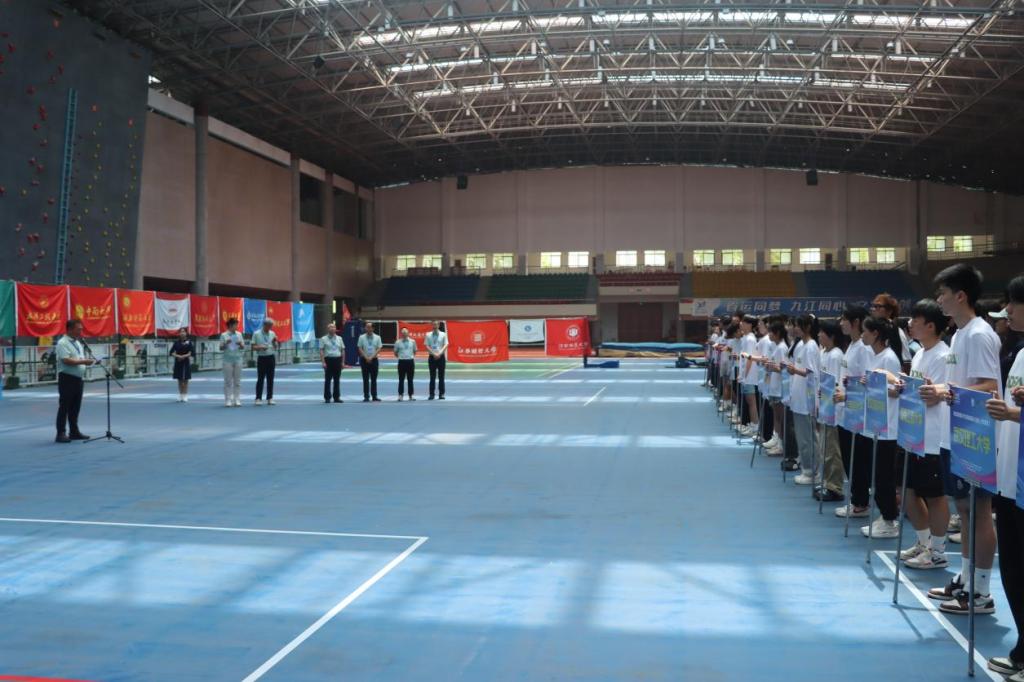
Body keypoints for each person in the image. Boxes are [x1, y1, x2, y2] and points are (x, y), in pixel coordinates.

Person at [921, 263, 1002, 615]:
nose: (938, 299)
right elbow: (962, 384)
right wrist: (942, 389)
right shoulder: (958, 335)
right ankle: (967, 578)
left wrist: (943, 391)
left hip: (977, 437)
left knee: (980, 512)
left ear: (961, 296)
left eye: (942, 293)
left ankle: (981, 592)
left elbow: (989, 386)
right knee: (965, 510)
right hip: (955, 433)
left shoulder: (980, 334)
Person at [984, 274, 1024, 679]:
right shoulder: (1021, 352)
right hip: (1011, 479)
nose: (1007, 311)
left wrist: (1014, 413)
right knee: (1013, 570)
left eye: (1014, 303)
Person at [898, 300, 951, 569]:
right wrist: (902, 387)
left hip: (932, 438)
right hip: (913, 434)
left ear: (930, 326)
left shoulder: (943, 356)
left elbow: (938, 395)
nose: (910, 324)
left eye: (915, 320)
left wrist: (925, 392)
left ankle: (938, 552)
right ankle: (923, 542)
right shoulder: (919, 353)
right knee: (908, 492)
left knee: (935, 496)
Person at [858, 316, 903, 539]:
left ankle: (890, 520)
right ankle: (885, 515)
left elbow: (897, 391)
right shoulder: (872, 355)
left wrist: (875, 386)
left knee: (884, 476)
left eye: (865, 331)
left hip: (888, 425)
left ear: (876, 333)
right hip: (875, 421)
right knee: (876, 474)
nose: (862, 335)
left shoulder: (889, 358)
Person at [834, 305, 873, 518]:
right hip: (845, 411)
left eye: (844, 319)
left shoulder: (864, 349)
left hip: (858, 413)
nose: (841, 323)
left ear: (856, 322)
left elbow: (868, 383)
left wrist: (847, 396)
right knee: (849, 457)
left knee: (857, 459)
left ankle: (861, 503)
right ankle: (857, 499)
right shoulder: (851, 345)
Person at [814, 320, 847, 502]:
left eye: (822, 333)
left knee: (832, 450)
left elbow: (836, 383)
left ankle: (835, 487)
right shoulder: (824, 353)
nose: (819, 335)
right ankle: (827, 481)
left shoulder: (836, 355)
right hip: (824, 405)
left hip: (833, 408)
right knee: (824, 448)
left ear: (832, 336)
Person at [787, 314, 820, 485]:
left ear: (807, 327)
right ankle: (807, 468)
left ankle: (811, 471)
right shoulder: (802, 345)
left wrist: (794, 370)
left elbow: (811, 372)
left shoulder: (811, 346)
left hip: (806, 399)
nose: (795, 328)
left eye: (798, 325)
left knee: (808, 437)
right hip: (798, 397)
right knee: (803, 436)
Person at [55, 318, 94, 443]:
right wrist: (84, 362)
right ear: (70, 329)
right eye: (78, 329)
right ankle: (60, 433)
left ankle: (74, 431)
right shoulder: (62, 343)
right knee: (64, 406)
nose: (80, 331)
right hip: (67, 378)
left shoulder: (77, 343)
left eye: (81, 329)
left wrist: (85, 361)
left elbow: (78, 358)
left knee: (75, 407)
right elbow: (66, 360)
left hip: (78, 379)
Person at [252, 318, 279, 405]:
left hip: (271, 357)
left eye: (271, 326)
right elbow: (253, 347)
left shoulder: (272, 333)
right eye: (269, 326)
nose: (270, 328)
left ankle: (270, 398)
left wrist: (275, 342)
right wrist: (261, 347)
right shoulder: (256, 334)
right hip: (262, 358)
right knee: (260, 378)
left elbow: (275, 347)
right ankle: (258, 398)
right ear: (264, 325)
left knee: (270, 379)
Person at [219, 318, 245, 407]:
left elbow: (243, 347)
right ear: (230, 325)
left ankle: (237, 399)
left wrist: (240, 344)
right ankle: (228, 399)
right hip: (227, 360)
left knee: (237, 381)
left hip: (238, 359)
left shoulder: (239, 334)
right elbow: (221, 348)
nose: (237, 326)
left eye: (237, 324)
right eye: (235, 325)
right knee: (228, 381)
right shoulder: (224, 335)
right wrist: (226, 343)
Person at [320, 323, 344, 404]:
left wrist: (343, 362)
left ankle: (337, 397)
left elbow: (343, 350)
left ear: (335, 329)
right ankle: (327, 397)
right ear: (328, 329)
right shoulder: (323, 339)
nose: (332, 328)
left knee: (337, 380)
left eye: (333, 327)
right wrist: (323, 362)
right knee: (328, 380)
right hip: (328, 360)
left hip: (337, 359)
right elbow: (321, 351)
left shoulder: (339, 338)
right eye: (330, 327)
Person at [358, 322, 382, 402]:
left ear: (373, 328)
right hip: (364, 360)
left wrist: (371, 357)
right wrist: (366, 357)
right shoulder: (361, 337)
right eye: (366, 327)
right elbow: (360, 348)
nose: (367, 328)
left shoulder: (377, 337)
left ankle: (374, 396)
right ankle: (366, 396)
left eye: (369, 327)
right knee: (365, 379)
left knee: (374, 379)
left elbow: (379, 348)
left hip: (374, 360)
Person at [425, 320, 448, 400]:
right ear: (432, 325)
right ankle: (431, 394)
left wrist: (439, 353)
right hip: (432, 357)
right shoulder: (428, 335)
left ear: (438, 325)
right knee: (432, 377)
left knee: (441, 377)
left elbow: (446, 344)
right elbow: (427, 346)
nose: (435, 326)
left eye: (436, 324)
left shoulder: (443, 334)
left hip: (441, 357)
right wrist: (434, 354)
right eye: (433, 324)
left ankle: (441, 394)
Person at [170, 327, 194, 403]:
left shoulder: (189, 342)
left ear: (186, 333)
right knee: (179, 379)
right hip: (178, 362)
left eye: (183, 331)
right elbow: (171, 352)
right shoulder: (176, 342)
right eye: (181, 332)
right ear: (179, 333)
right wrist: (178, 356)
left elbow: (191, 353)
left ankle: (185, 395)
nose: (182, 333)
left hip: (186, 362)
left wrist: (184, 356)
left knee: (185, 379)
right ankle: (181, 395)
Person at [394, 327, 418, 401]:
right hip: (401, 362)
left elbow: (415, 351)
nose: (404, 334)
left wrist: (409, 357)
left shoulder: (413, 341)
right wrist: (401, 357)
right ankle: (400, 395)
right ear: (401, 334)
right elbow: (395, 352)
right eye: (403, 333)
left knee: (410, 379)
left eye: (405, 332)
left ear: (408, 333)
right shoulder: (398, 342)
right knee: (401, 379)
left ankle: (411, 395)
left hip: (410, 362)